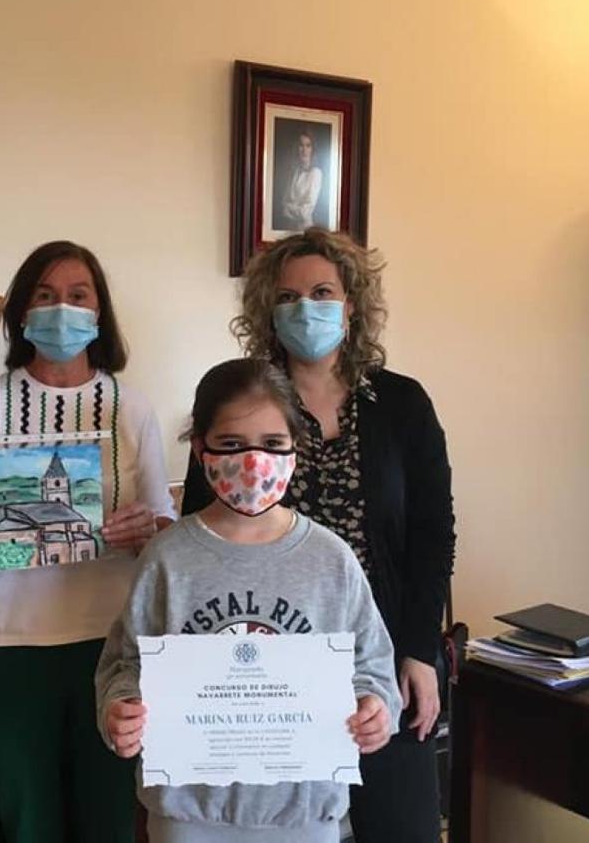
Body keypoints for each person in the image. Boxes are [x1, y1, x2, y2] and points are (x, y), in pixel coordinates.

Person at [0, 240, 177, 843]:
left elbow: (168, 532)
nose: (61, 310)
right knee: (27, 821)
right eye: (44, 296)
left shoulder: (132, 407)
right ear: (21, 313)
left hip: (112, 646)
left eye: (78, 296)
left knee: (109, 820)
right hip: (7, 646)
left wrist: (144, 530)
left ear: (100, 314)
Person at [182, 228, 456, 842]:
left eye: (322, 292)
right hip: (268, 671)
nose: (305, 307)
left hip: (382, 663)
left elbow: (433, 537)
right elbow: (203, 533)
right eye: (286, 297)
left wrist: (417, 651)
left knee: (402, 827)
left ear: (350, 304)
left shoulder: (403, 404)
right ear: (266, 312)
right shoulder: (243, 404)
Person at [96, 358, 403, 843]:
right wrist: (121, 708)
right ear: (200, 449)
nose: (255, 462)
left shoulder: (330, 560)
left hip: (304, 811)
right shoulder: (168, 560)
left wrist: (376, 709)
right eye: (233, 445)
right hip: (189, 812)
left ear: (295, 450)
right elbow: (124, 664)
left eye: (274, 444)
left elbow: (372, 666)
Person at [277, 129, 324, 229]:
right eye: (301, 145)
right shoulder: (294, 172)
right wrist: (293, 208)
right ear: (297, 148)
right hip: (289, 228)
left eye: (308, 145)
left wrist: (289, 207)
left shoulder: (316, 173)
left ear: (312, 149)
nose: (304, 150)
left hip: (305, 229)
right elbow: (283, 204)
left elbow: (305, 212)